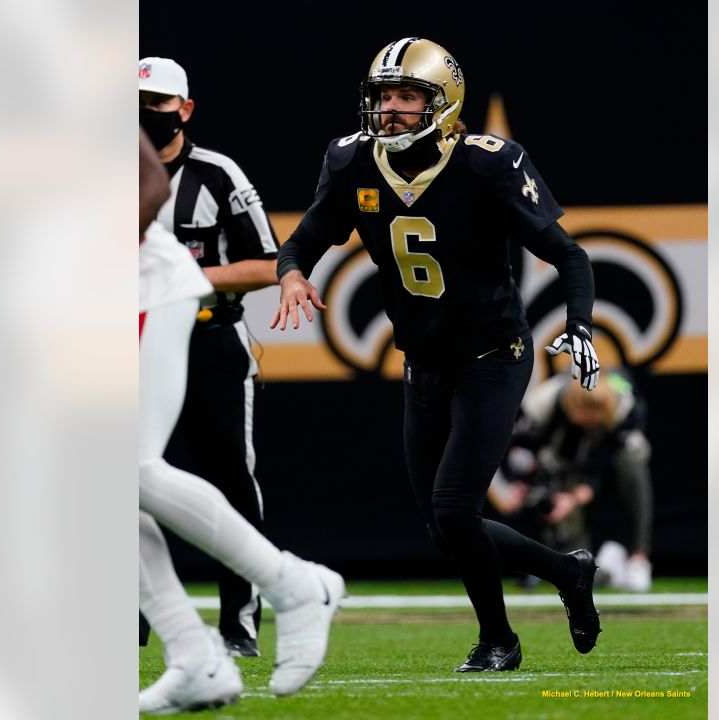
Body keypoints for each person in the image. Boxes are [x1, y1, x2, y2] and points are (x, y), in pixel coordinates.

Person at [271, 38, 602, 672]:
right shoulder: (351, 163)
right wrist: (291, 275)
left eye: (407, 97)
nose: (390, 110)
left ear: (443, 104)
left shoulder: (487, 164)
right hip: (423, 362)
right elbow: (303, 243)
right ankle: (567, 570)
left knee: (456, 509)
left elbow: (571, 255)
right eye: (382, 97)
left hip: (493, 355)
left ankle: (498, 640)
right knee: (443, 530)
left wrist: (580, 324)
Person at [139, 130, 344, 713]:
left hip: (144, 286)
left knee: (131, 467)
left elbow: (148, 181)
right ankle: (193, 654)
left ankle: (293, 587)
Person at [139, 56, 281, 657]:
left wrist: (189, 279)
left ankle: (239, 617)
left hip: (208, 338)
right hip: (128, 342)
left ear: (185, 109)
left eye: (158, 106)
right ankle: (133, 612)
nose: (146, 118)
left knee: (228, 477)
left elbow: (271, 263)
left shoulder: (217, 174)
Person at [491, 369, 655, 592]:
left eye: (594, 421)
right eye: (583, 421)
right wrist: (513, 485)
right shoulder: (541, 404)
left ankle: (638, 559)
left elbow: (601, 463)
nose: (588, 425)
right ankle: (600, 565)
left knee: (632, 459)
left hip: (608, 464)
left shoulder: (627, 408)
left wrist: (575, 497)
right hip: (560, 463)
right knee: (576, 568)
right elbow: (511, 447)